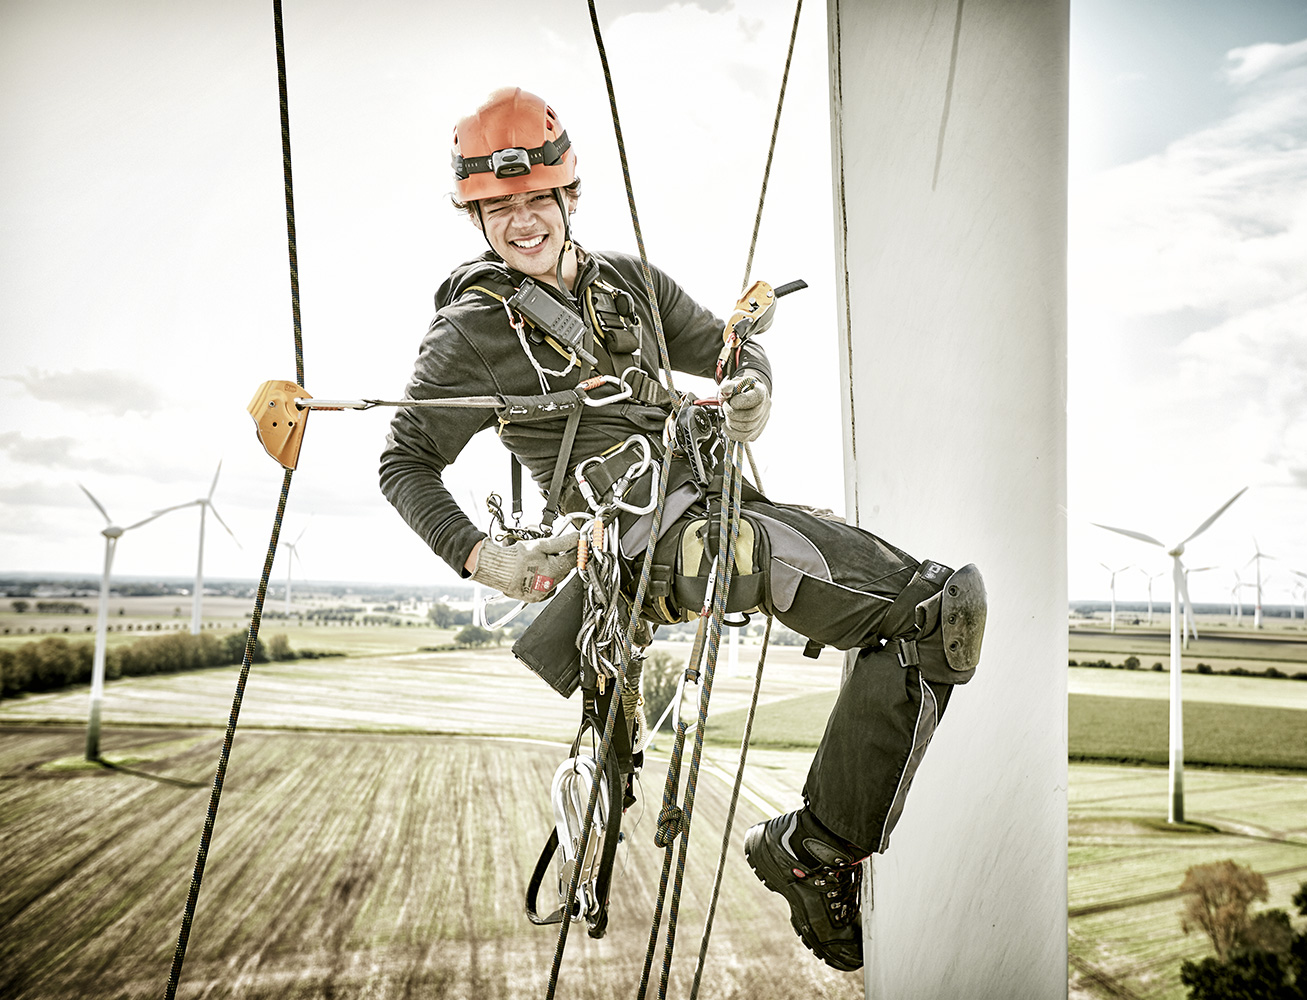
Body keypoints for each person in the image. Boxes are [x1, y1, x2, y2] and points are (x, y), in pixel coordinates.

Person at [378, 86, 987, 973]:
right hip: (653, 546)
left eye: (534, 200)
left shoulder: (631, 284)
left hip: (718, 507)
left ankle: (818, 841)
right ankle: (818, 853)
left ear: (566, 198)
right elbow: (403, 461)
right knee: (933, 610)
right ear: (476, 215)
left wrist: (754, 389)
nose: (520, 222)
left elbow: (729, 348)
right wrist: (487, 558)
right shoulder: (470, 331)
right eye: (497, 208)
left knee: (938, 609)